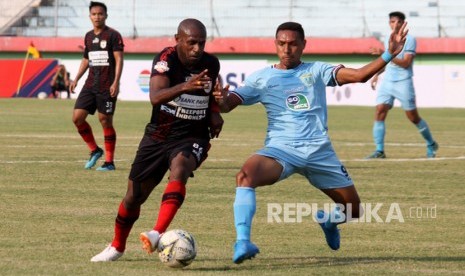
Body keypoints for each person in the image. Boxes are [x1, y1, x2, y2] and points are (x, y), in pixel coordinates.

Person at [213, 21, 408, 264]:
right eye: (282, 44)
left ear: (304, 45)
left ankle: (329, 221)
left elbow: (359, 76)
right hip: (281, 151)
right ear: (275, 44)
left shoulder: (316, 70)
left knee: (354, 210)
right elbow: (229, 104)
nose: (287, 49)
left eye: (293, 44)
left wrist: (389, 53)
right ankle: (242, 241)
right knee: (245, 176)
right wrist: (220, 100)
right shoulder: (262, 78)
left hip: (319, 152)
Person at [90, 18, 223, 262]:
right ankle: (117, 246)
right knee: (133, 197)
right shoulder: (166, 59)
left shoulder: (211, 63)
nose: (197, 49)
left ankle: (156, 233)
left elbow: (211, 91)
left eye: (201, 43)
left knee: (181, 167)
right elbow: (156, 96)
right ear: (178, 39)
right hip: (158, 135)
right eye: (192, 43)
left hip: (193, 135)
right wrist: (185, 86)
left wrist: (214, 113)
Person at [366, 11, 438, 159]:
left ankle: (431, 143)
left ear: (403, 23)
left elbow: (405, 63)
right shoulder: (388, 38)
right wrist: (376, 74)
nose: (395, 25)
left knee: (413, 117)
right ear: (389, 23)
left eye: (398, 22)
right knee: (380, 110)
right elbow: (386, 61)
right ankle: (379, 151)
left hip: (403, 82)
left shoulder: (409, 39)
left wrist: (385, 53)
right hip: (388, 82)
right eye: (392, 22)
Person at [70, 1, 124, 171]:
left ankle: (109, 162)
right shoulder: (87, 36)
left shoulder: (113, 35)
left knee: (105, 120)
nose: (97, 17)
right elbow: (87, 59)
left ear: (106, 16)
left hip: (107, 85)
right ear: (90, 17)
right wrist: (76, 78)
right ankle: (95, 150)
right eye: (94, 14)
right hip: (90, 85)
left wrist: (116, 82)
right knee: (77, 118)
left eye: (100, 14)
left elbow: (119, 59)